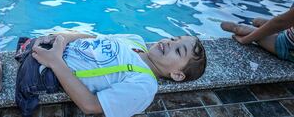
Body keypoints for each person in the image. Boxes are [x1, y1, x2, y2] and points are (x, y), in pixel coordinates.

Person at [15, 33, 207, 117]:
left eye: (179, 51)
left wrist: (55, 61)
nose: (170, 43)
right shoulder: (136, 40)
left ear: (177, 75)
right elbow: (93, 37)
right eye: (175, 38)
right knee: (28, 43)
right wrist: (62, 37)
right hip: (52, 48)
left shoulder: (145, 84)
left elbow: (91, 106)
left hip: (44, 71)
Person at [221, 6, 294, 63]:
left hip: (288, 46)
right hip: (289, 31)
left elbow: (280, 22)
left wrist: (245, 40)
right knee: (257, 21)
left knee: (239, 29)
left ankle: (238, 29)